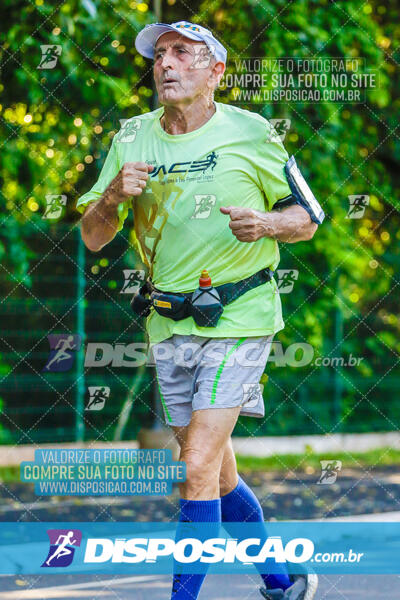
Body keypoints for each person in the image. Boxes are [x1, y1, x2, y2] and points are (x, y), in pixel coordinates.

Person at [76, 20, 320, 600]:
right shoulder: (132, 137)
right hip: (168, 322)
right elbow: (90, 237)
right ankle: (283, 585)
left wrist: (265, 223)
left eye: (181, 53)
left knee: (193, 469)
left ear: (215, 70)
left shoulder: (252, 133)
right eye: (160, 55)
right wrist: (111, 197)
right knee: (215, 469)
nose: (165, 64)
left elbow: (308, 218)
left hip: (240, 317)